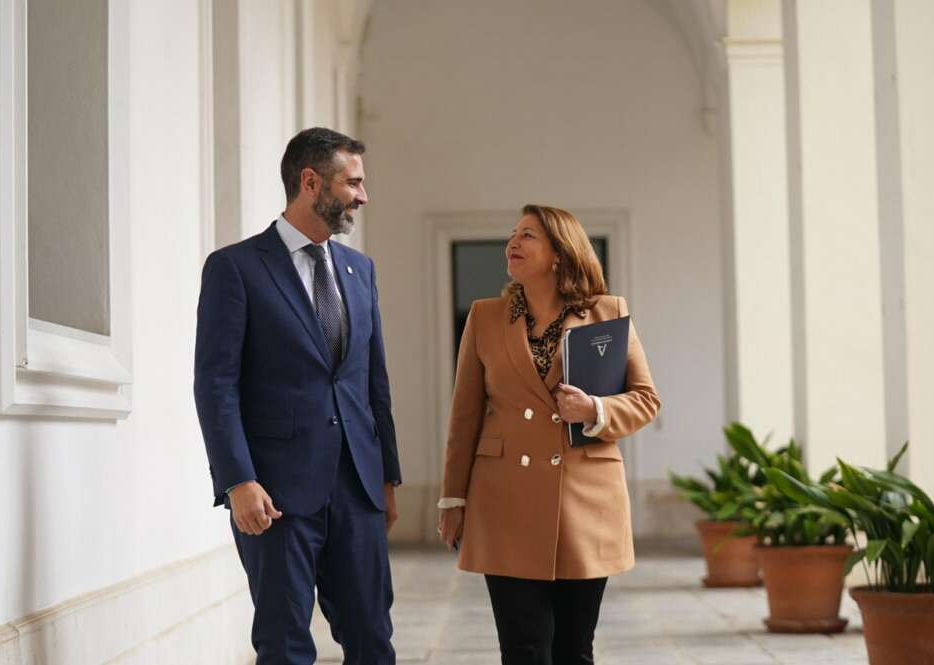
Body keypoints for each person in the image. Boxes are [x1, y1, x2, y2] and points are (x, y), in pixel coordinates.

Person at [194, 127, 401, 665]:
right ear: (310, 182)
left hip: (357, 489)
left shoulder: (361, 271)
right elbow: (215, 384)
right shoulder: (235, 268)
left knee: (373, 640)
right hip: (276, 496)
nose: (362, 195)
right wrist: (237, 480)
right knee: (285, 646)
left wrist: (387, 477)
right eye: (352, 182)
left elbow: (373, 383)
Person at [437, 204, 660, 664]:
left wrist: (594, 409)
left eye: (528, 236)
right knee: (523, 650)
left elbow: (645, 399)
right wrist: (453, 499)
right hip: (504, 502)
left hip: (583, 502)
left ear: (560, 253)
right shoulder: (485, 317)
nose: (512, 243)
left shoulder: (608, 313)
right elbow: (465, 417)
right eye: (512, 235)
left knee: (574, 650)